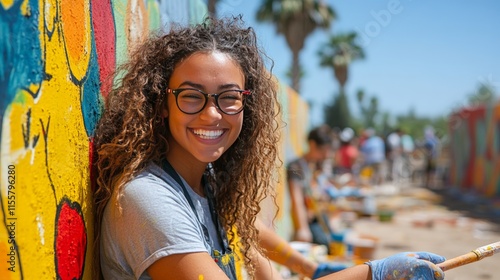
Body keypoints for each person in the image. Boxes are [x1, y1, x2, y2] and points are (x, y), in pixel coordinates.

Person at [93, 16, 446, 280]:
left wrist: (311, 268)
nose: (212, 113)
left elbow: (246, 232)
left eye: (230, 98)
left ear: (248, 106)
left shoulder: (209, 183)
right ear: (161, 102)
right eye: (191, 96)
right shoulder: (148, 199)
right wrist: (374, 273)